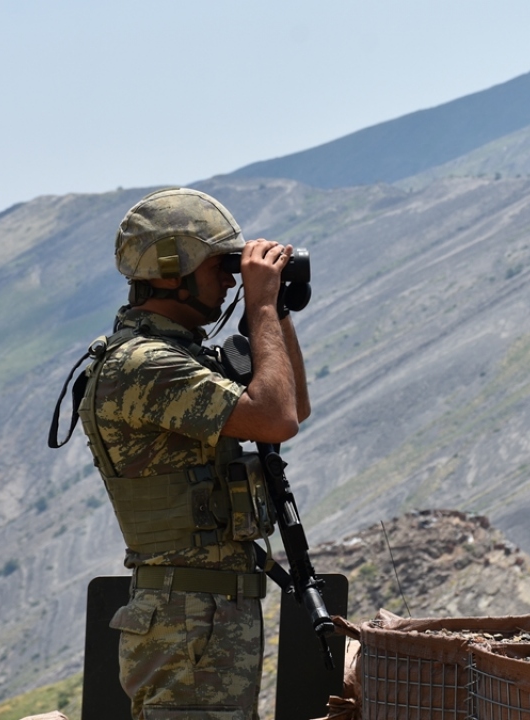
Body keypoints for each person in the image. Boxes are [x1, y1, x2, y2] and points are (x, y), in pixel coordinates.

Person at [76, 187, 310, 719]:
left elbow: (290, 409)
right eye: (218, 266)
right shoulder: (145, 365)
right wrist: (261, 303)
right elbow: (276, 418)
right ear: (168, 271)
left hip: (205, 615)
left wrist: (275, 315)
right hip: (187, 623)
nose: (231, 279)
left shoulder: (179, 357)